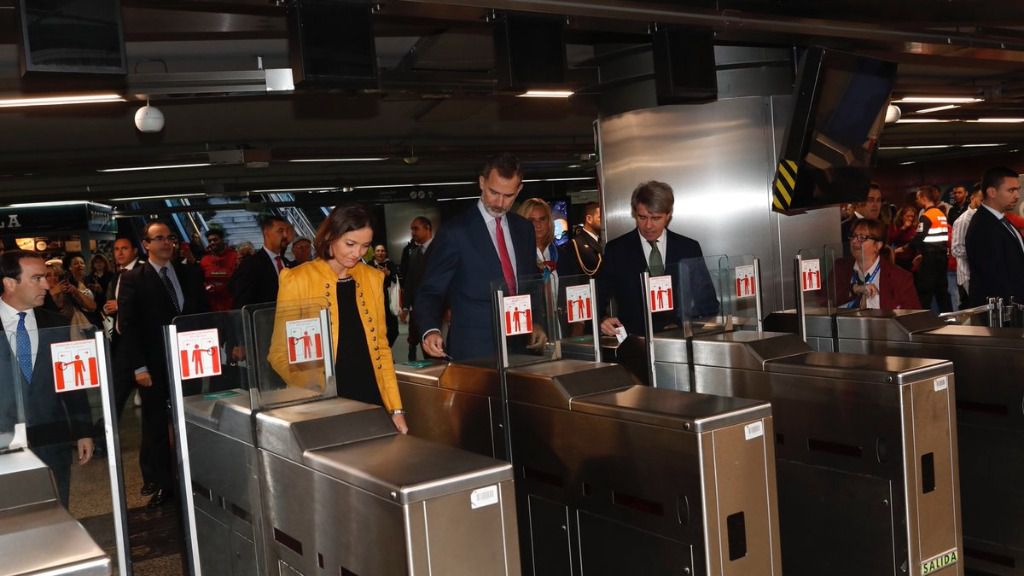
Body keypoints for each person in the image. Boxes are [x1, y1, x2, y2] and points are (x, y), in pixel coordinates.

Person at [269, 205, 407, 433]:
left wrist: (396, 409)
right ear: (330, 237)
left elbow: (381, 348)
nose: (358, 253)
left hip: (371, 396)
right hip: (324, 402)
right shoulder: (297, 280)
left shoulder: (373, 279)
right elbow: (279, 354)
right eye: (350, 244)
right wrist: (317, 388)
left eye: (365, 246)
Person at [414, 153, 543, 361]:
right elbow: (430, 290)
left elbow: (530, 282)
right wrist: (430, 330)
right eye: (494, 192)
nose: (500, 203)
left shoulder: (524, 229)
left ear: (519, 189)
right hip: (474, 349)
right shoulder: (455, 232)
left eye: (509, 195)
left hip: (520, 345)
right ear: (482, 183)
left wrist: (536, 321)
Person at [118, 221, 209, 508]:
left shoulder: (190, 273)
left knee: (193, 419)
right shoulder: (134, 278)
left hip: (191, 360)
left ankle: (197, 476)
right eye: (158, 239)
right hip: (154, 366)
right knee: (157, 426)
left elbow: (204, 314)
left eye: (169, 238)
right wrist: (138, 367)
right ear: (146, 244)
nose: (166, 243)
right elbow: (128, 326)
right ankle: (164, 484)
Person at [0, 250, 92, 507]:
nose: (46, 284)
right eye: (37, 278)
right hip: (3, 441)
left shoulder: (56, 325)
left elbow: (72, 382)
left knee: (56, 510)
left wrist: (83, 430)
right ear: (10, 283)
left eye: (47, 277)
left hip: (52, 438)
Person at [599, 181, 719, 337]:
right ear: (634, 213)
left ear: (668, 216)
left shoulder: (688, 248)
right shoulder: (616, 250)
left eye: (656, 218)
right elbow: (599, 297)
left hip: (681, 340)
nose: (648, 225)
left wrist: (689, 325)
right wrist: (603, 319)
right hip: (635, 342)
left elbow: (707, 301)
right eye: (642, 217)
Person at [966, 166, 1024, 306]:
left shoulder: (1001, 220)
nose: (1017, 196)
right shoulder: (983, 226)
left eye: (1018, 190)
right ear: (992, 192)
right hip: (1001, 313)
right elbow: (993, 276)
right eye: (1011, 190)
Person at [834, 219, 920, 310]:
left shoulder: (900, 277)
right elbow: (822, 299)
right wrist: (853, 289)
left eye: (862, 237)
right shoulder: (840, 267)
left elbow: (913, 316)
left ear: (878, 245)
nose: (854, 241)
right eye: (853, 236)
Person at [230, 215, 291, 308]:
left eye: (287, 231)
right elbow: (242, 303)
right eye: (280, 231)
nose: (285, 235)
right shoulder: (250, 264)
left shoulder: (287, 263)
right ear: (266, 233)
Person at [910, 185, 952, 312]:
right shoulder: (941, 214)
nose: (917, 201)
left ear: (923, 198)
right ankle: (949, 321)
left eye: (918, 197)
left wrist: (905, 248)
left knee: (925, 292)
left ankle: (923, 322)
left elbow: (919, 238)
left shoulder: (926, 216)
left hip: (930, 259)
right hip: (942, 257)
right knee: (942, 293)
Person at [399, 217, 433, 362]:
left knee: (440, 346)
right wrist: (405, 306)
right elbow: (410, 282)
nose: (413, 233)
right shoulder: (414, 254)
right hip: (420, 309)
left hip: (441, 309)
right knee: (424, 344)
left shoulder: (443, 248)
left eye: (416, 228)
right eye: (411, 229)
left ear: (428, 228)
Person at [951, 188, 984, 307]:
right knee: (974, 313)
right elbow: (956, 249)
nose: (984, 203)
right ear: (973, 198)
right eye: (982, 200)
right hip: (968, 276)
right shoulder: (963, 221)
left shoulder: (984, 218)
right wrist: (981, 252)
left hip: (982, 274)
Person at [558, 201, 603, 278]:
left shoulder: (602, 240)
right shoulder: (575, 244)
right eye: (600, 217)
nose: (603, 220)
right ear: (589, 219)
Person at [517, 198, 559, 278]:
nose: (538, 225)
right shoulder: (517, 256)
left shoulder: (564, 255)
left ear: (549, 222)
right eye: (531, 220)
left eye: (542, 219)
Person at [199, 227, 238, 311]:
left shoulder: (235, 257)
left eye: (215, 240)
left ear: (222, 240)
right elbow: (201, 282)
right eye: (210, 241)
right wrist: (208, 287)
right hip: (213, 308)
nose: (212, 243)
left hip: (233, 306)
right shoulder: (205, 260)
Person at [369, 244, 400, 347]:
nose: (380, 253)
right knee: (377, 329)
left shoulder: (390, 264)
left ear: (385, 253)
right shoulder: (369, 265)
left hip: (389, 300)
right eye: (378, 251)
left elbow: (397, 280)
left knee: (394, 330)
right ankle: (382, 353)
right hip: (374, 301)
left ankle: (386, 348)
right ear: (374, 253)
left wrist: (388, 273)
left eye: (382, 251)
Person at [841, 183, 883, 256]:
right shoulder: (844, 229)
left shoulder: (881, 226)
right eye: (870, 200)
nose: (875, 205)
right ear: (858, 203)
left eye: (878, 200)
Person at [888, 205, 919, 272]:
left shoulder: (915, 227)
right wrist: (903, 228)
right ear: (902, 216)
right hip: (897, 258)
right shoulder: (894, 226)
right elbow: (891, 239)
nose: (910, 219)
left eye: (912, 216)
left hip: (911, 260)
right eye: (908, 216)